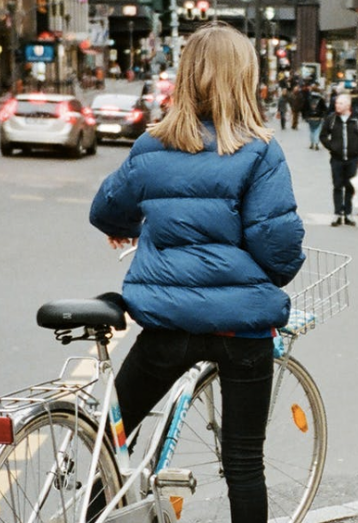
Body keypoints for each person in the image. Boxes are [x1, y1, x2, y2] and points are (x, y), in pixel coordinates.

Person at [88, 23, 305, 523]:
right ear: (244, 78)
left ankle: (93, 511)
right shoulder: (260, 151)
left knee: (114, 436)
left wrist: (132, 225)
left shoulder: (152, 147)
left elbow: (106, 211)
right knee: (245, 464)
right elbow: (279, 252)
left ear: (185, 77)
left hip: (166, 327)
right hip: (241, 330)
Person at [320, 93, 358, 226]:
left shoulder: (357, 119)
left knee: (350, 186)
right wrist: (332, 147)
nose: (337, 106)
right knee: (337, 186)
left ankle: (348, 214)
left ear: (348, 105)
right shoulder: (332, 119)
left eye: (340, 103)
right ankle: (337, 214)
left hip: (352, 159)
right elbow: (323, 136)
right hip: (337, 159)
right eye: (336, 103)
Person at [303, 85, 328, 150]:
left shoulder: (308, 98)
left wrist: (305, 116)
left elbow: (305, 108)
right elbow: (324, 108)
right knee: (317, 130)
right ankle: (316, 143)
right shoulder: (321, 99)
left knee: (311, 130)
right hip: (318, 117)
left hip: (310, 117)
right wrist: (323, 115)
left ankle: (312, 143)